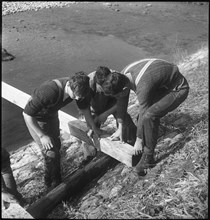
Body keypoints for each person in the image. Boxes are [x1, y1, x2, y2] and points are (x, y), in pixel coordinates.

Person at [96, 58, 189, 176]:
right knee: (142, 119)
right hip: (161, 87)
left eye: (118, 94)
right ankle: (151, 137)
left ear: (124, 89)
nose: (118, 97)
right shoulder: (122, 76)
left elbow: (144, 112)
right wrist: (120, 128)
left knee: (149, 116)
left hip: (178, 88)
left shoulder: (143, 85)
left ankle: (148, 158)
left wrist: (139, 141)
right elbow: (122, 102)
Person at [23, 71, 104, 188]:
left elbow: (85, 110)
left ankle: (50, 176)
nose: (77, 98)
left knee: (57, 145)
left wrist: (93, 127)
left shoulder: (80, 90)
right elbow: (26, 114)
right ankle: (54, 184)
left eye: (79, 96)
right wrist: (42, 136)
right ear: (68, 86)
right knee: (50, 151)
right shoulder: (48, 91)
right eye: (75, 95)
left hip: (51, 114)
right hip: (37, 118)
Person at [80, 66, 137, 165]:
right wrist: (93, 125)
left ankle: (133, 145)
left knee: (126, 122)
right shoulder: (89, 84)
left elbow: (122, 102)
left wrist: (106, 114)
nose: (103, 90)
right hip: (95, 104)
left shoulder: (117, 79)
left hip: (112, 103)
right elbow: (85, 108)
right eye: (101, 87)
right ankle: (89, 157)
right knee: (90, 131)